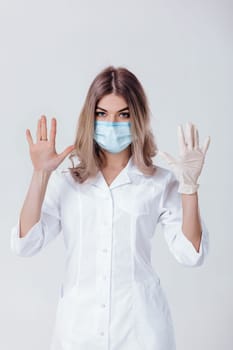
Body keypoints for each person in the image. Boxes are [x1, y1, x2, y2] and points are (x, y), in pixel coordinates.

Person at [10, 66, 211, 350]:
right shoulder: (68, 182)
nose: (112, 123)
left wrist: (189, 187)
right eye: (102, 114)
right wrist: (40, 174)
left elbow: (191, 255)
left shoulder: (158, 182)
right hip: (78, 332)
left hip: (142, 331)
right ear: (90, 118)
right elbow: (25, 244)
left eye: (123, 114)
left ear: (137, 118)